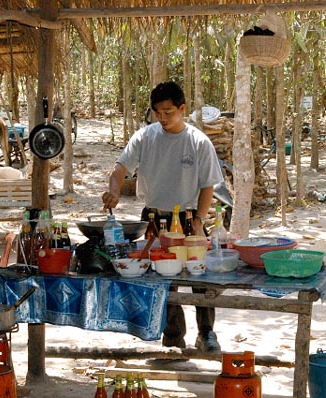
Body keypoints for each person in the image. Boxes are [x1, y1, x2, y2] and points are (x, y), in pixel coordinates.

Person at [102, 81, 224, 353]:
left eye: (169, 112)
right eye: (158, 112)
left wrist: (199, 222)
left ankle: (206, 333)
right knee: (162, 276)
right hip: (155, 220)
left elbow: (207, 186)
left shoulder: (198, 142)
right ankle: (172, 336)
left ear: (182, 109)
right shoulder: (145, 137)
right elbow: (120, 167)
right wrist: (113, 191)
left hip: (191, 217)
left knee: (199, 277)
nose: (163, 118)